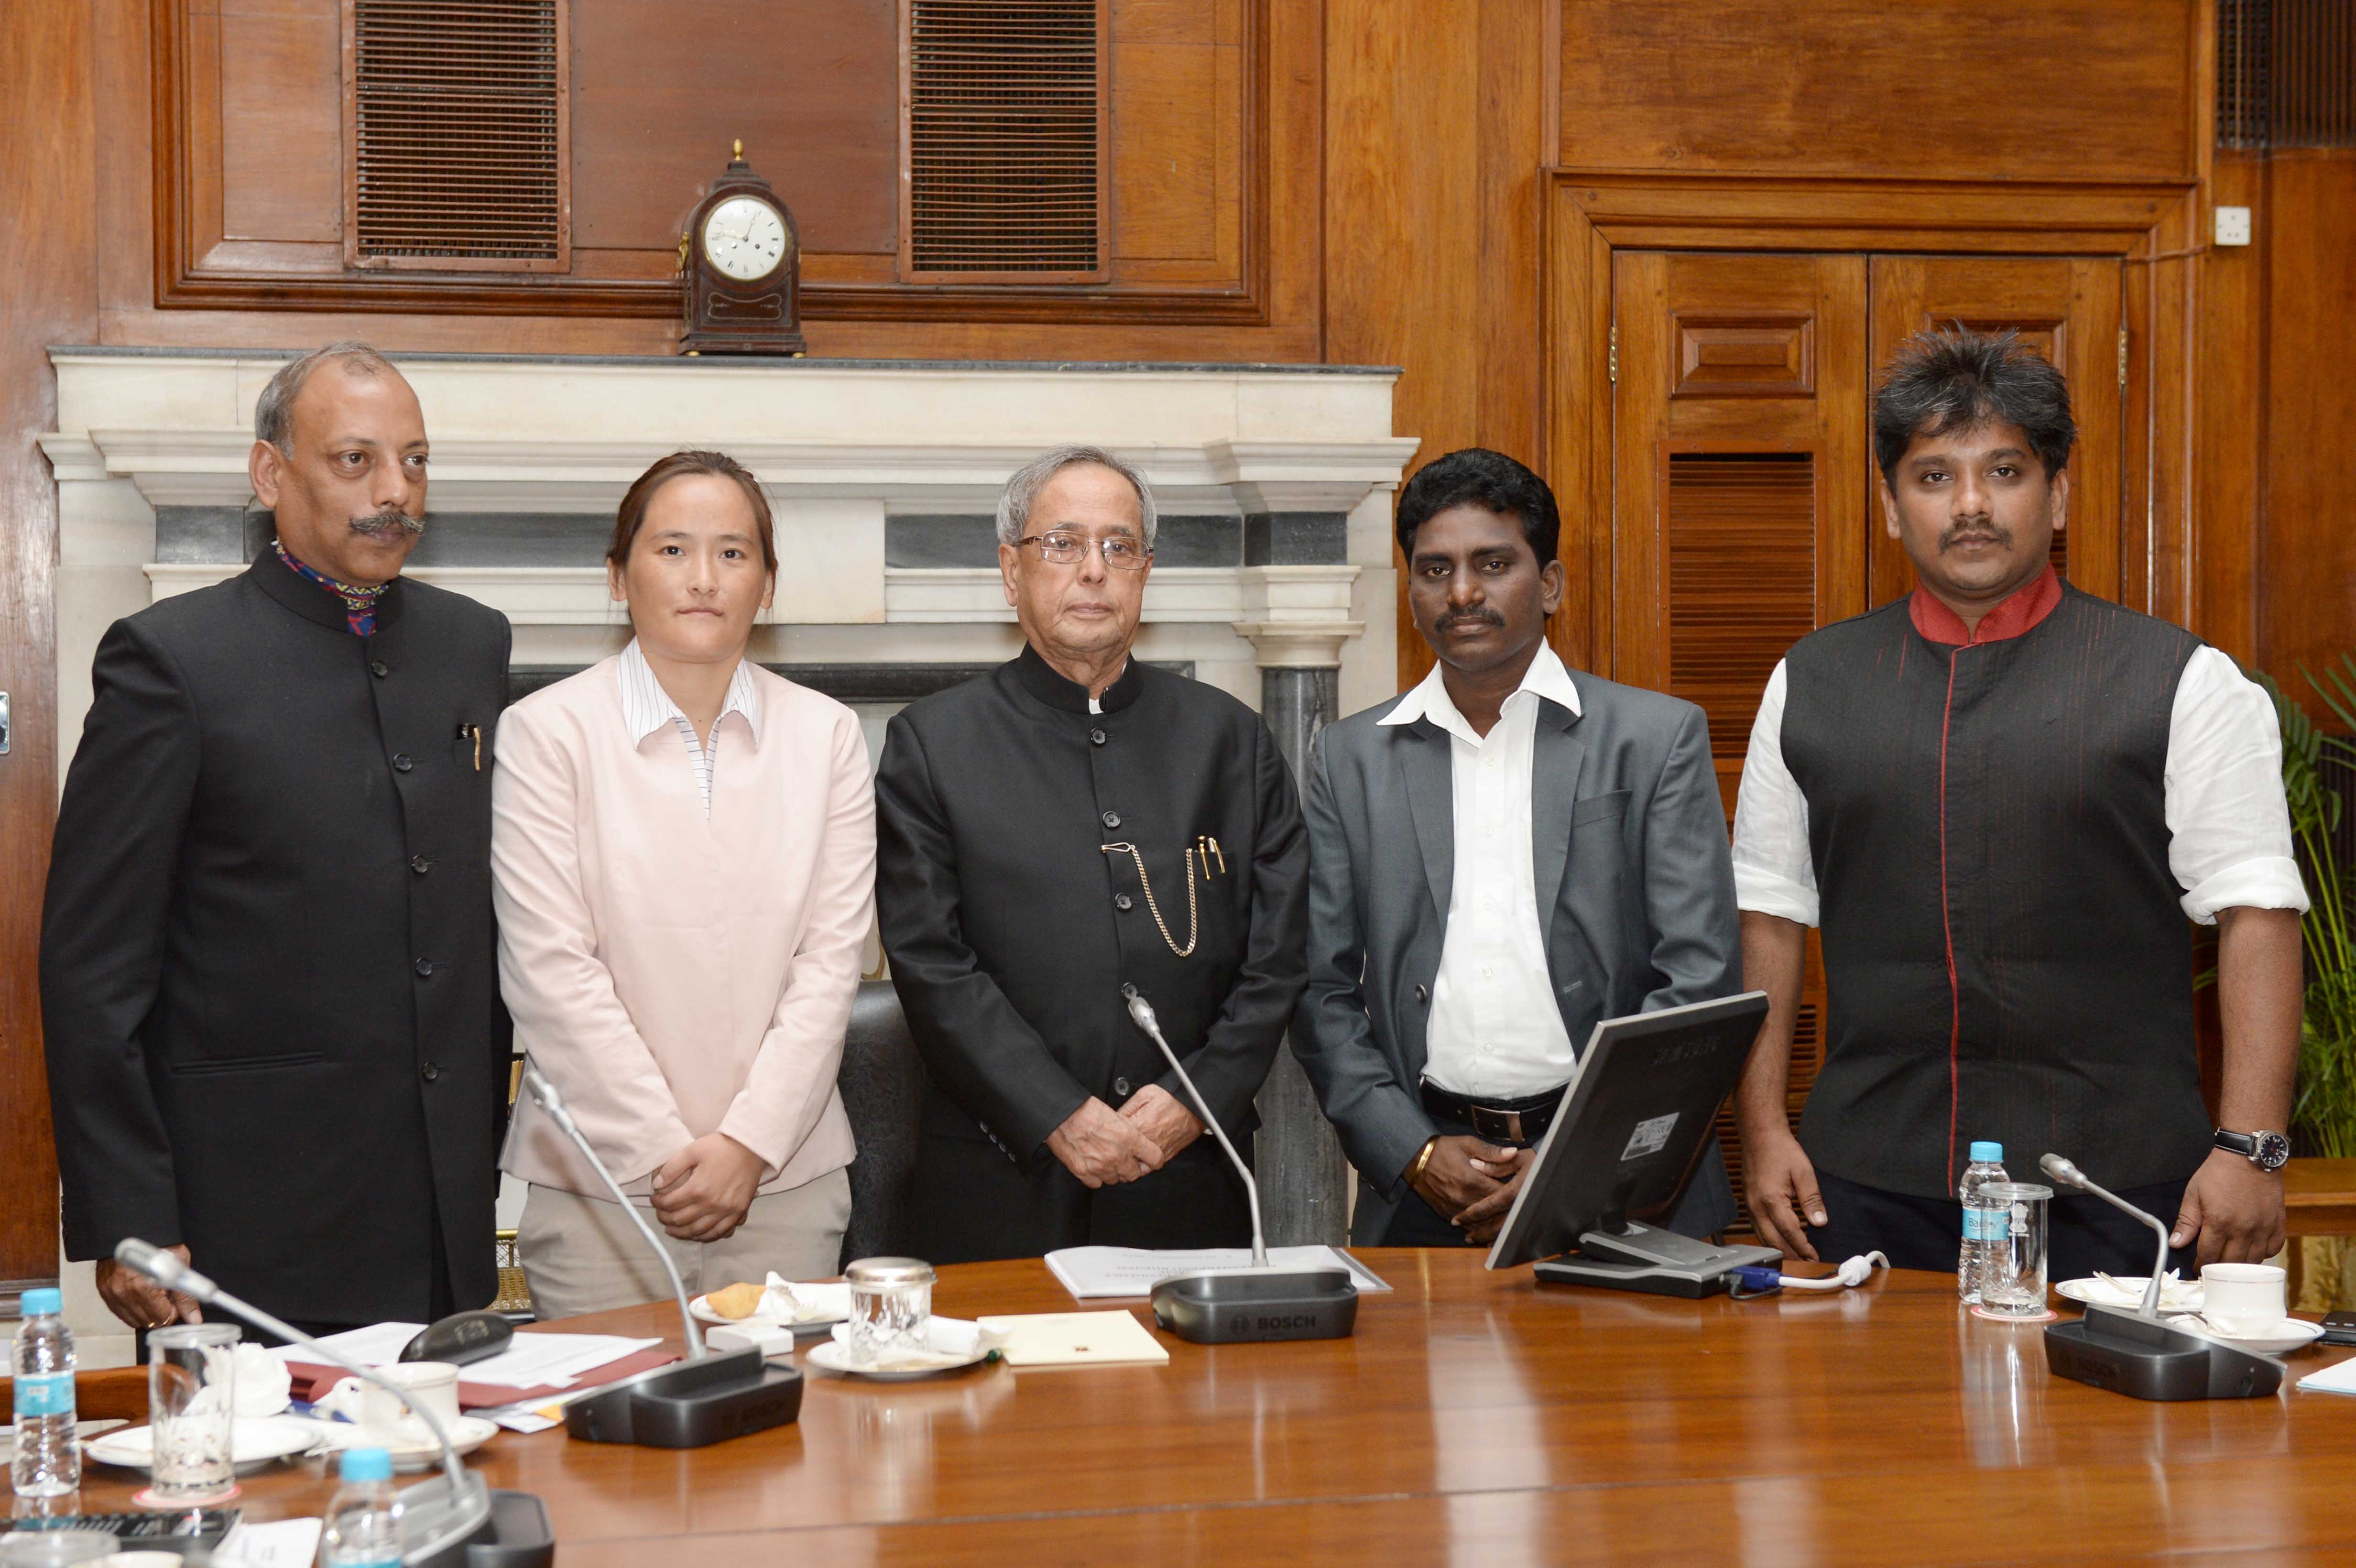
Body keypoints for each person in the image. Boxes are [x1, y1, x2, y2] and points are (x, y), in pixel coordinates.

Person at [1731, 326, 2307, 1279]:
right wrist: (1759, 1127)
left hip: (2123, 1191)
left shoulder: (2184, 681)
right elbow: (1770, 920)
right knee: (1872, 1434)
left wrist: (2250, 1146)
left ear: (2057, 492)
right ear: (1888, 503)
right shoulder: (1810, 680)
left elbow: (2257, 911)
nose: (1968, 505)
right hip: (1866, 1184)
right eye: (1931, 476)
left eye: (2002, 470)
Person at [43, 341, 511, 1336]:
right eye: (357, 460)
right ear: (271, 473)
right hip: (244, 1222)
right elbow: (94, 967)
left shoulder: (474, 643)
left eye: (417, 460)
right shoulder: (171, 661)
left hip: (440, 1207)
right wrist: (130, 1213)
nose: (397, 491)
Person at [1294, 448, 1742, 1246]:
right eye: (1434, 570)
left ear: (1551, 583)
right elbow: (1319, 988)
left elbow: (1700, 981)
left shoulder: (1654, 739)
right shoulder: (1350, 758)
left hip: (1625, 1187)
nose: (1461, 592)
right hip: (1427, 1189)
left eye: (1492, 563)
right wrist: (1413, 1147)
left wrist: (1576, 1157)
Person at [874, 445, 1309, 1263]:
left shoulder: (1230, 741)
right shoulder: (933, 745)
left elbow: (1276, 960)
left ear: (1146, 570)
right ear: (1011, 570)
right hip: (1003, 1176)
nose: (1094, 571)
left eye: (1119, 546)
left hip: (1188, 1175)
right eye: (1063, 544)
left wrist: (1194, 1103)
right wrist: (1054, 1112)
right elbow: (932, 964)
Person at [493, 452, 873, 1315]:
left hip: (786, 1183)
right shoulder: (546, 733)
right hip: (599, 1192)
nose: (704, 578)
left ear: (769, 584)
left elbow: (831, 966)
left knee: (789, 1444)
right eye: (672, 550)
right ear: (619, 577)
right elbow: (551, 972)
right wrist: (671, 1155)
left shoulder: (828, 737)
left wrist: (747, 1146)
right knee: (609, 1443)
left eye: (734, 554)